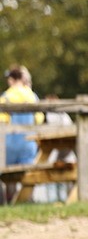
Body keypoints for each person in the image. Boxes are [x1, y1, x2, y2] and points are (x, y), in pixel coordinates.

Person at [1, 65, 43, 203]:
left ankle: (10, 200)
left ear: (12, 80)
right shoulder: (32, 96)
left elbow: (2, 121)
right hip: (29, 144)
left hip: (10, 144)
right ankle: (27, 199)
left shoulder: (6, 97)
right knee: (28, 174)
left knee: (7, 176)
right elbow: (39, 119)